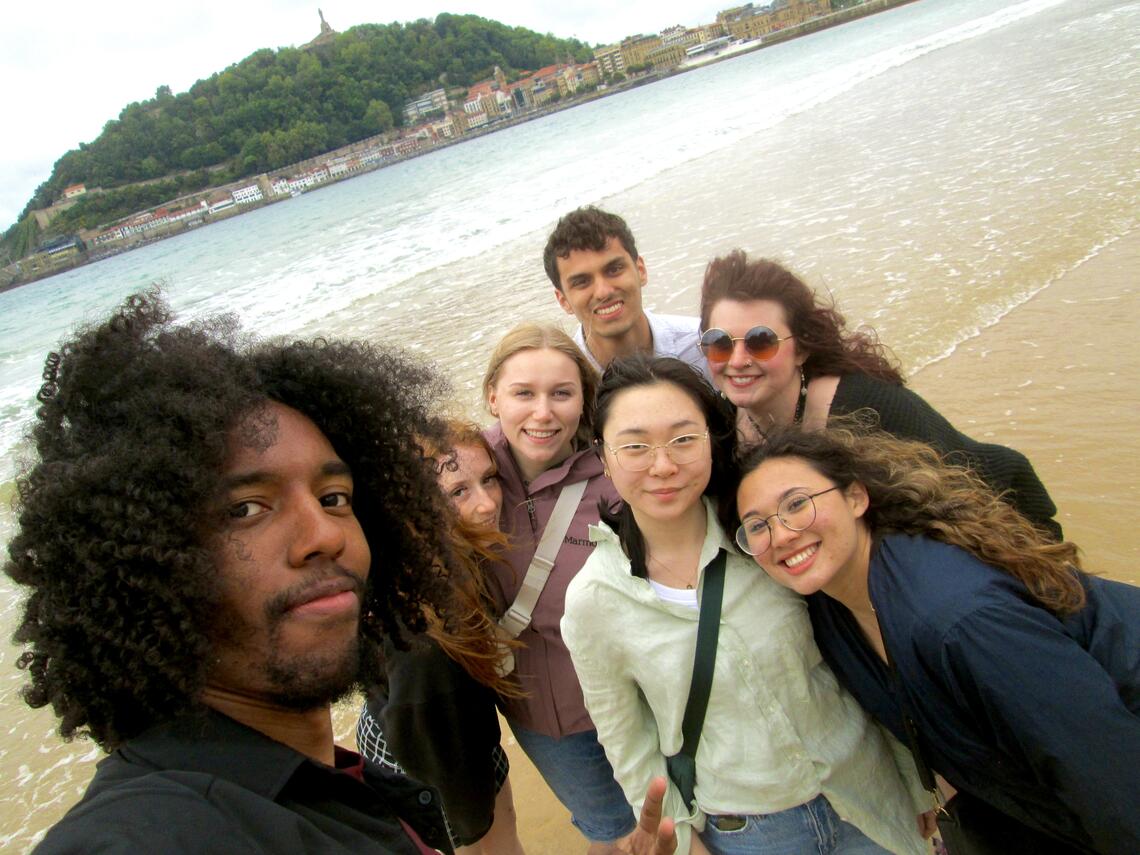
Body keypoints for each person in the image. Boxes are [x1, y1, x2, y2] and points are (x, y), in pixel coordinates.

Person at [5, 292, 486, 854]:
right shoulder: (155, 834)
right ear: (141, 559)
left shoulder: (337, 782)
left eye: (334, 497)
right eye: (245, 509)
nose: (326, 535)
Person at [561, 355, 929, 855]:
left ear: (712, 440)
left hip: (868, 792)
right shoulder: (594, 601)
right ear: (603, 457)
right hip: (751, 832)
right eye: (635, 446)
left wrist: (914, 773)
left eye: (683, 439)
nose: (663, 465)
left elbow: (860, 649)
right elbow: (628, 744)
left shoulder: (766, 535)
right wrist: (683, 841)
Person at [733, 423, 1140, 854]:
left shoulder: (958, 620)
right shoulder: (833, 607)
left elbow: (1107, 773)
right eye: (757, 526)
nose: (781, 535)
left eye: (797, 504)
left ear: (856, 498)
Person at [698, 249, 1061, 537]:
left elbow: (987, 479)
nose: (737, 360)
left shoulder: (866, 408)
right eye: (720, 343)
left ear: (802, 348)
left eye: (761, 341)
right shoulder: (719, 429)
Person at [481, 323, 635, 854]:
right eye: (524, 393)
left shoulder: (616, 473)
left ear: (584, 399)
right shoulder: (462, 474)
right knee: (607, 830)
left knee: (666, 820)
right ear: (493, 396)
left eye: (561, 393)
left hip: (630, 698)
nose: (543, 413)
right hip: (538, 717)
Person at [356, 421, 526, 855]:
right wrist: (470, 824)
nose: (487, 504)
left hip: (443, 729)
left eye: (489, 479)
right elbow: (437, 757)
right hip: (427, 756)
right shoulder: (425, 632)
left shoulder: (429, 553)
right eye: (458, 492)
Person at [544, 206, 708, 378]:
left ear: (640, 270)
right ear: (563, 301)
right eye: (582, 282)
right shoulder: (560, 379)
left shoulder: (703, 346)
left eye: (614, 269)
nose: (603, 292)